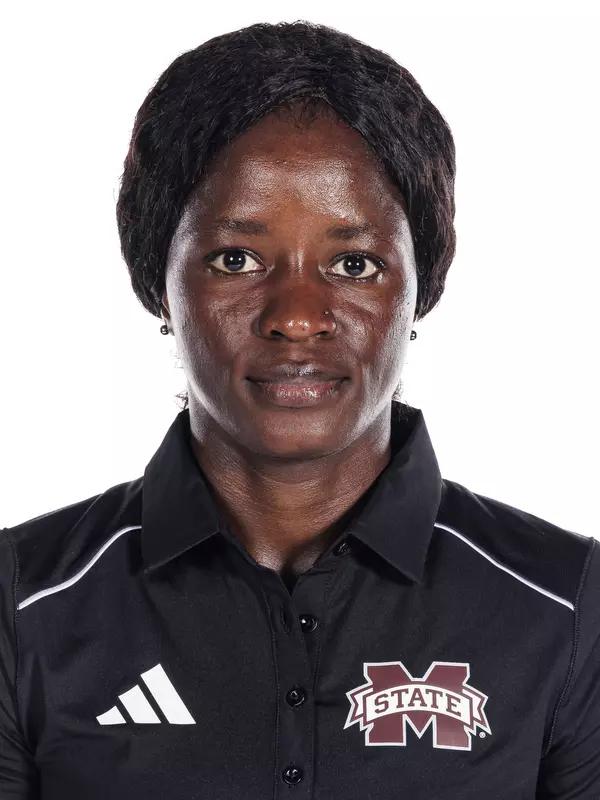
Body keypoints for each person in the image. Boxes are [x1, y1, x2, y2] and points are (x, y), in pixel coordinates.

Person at [1, 20, 598, 800]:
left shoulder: (564, 606)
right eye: (237, 259)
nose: (297, 315)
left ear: (423, 286)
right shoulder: (25, 606)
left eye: (354, 263)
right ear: (159, 280)